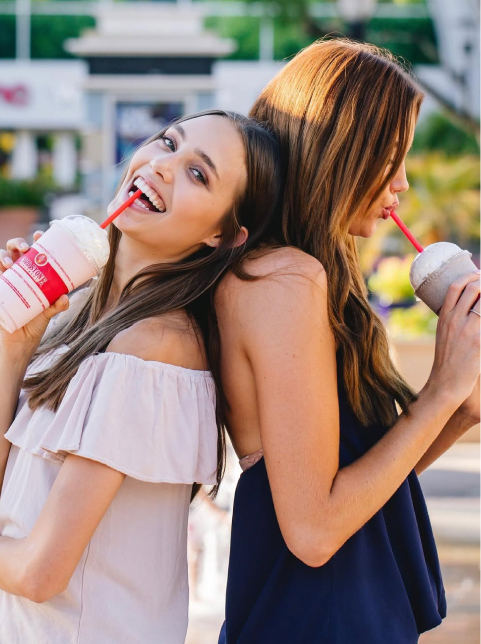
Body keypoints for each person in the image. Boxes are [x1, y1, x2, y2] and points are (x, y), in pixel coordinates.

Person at [216, 40, 480, 643]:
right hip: (316, 619)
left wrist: (461, 405)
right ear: (340, 151)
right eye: (391, 158)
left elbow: (355, 482)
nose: (404, 184)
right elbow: (314, 530)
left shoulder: (310, 273)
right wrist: (437, 393)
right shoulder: (283, 279)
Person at [0, 109, 281, 643]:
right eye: (167, 142)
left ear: (224, 234)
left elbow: (40, 572)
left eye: (199, 174)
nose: (163, 165)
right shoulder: (78, 321)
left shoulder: (156, 349)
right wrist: (16, 344)